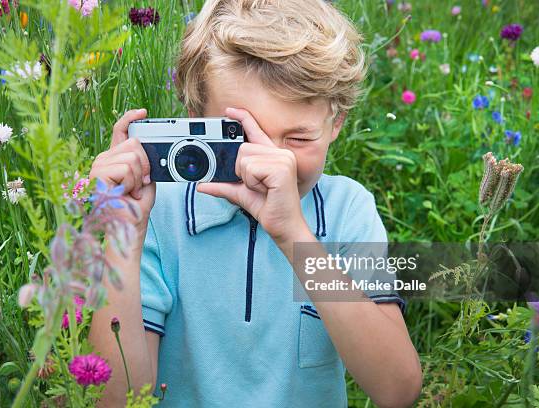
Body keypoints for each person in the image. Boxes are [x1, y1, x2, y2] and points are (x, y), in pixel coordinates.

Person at [88, 0, 422, 406]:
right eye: (242, 136)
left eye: (298, 139)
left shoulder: (349, 209)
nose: (273, 165)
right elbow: (114, 401)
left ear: (336, 122)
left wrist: (294, 235)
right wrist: (124, 237)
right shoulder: (158, 214)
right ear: (198, 121)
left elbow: (397, 390)